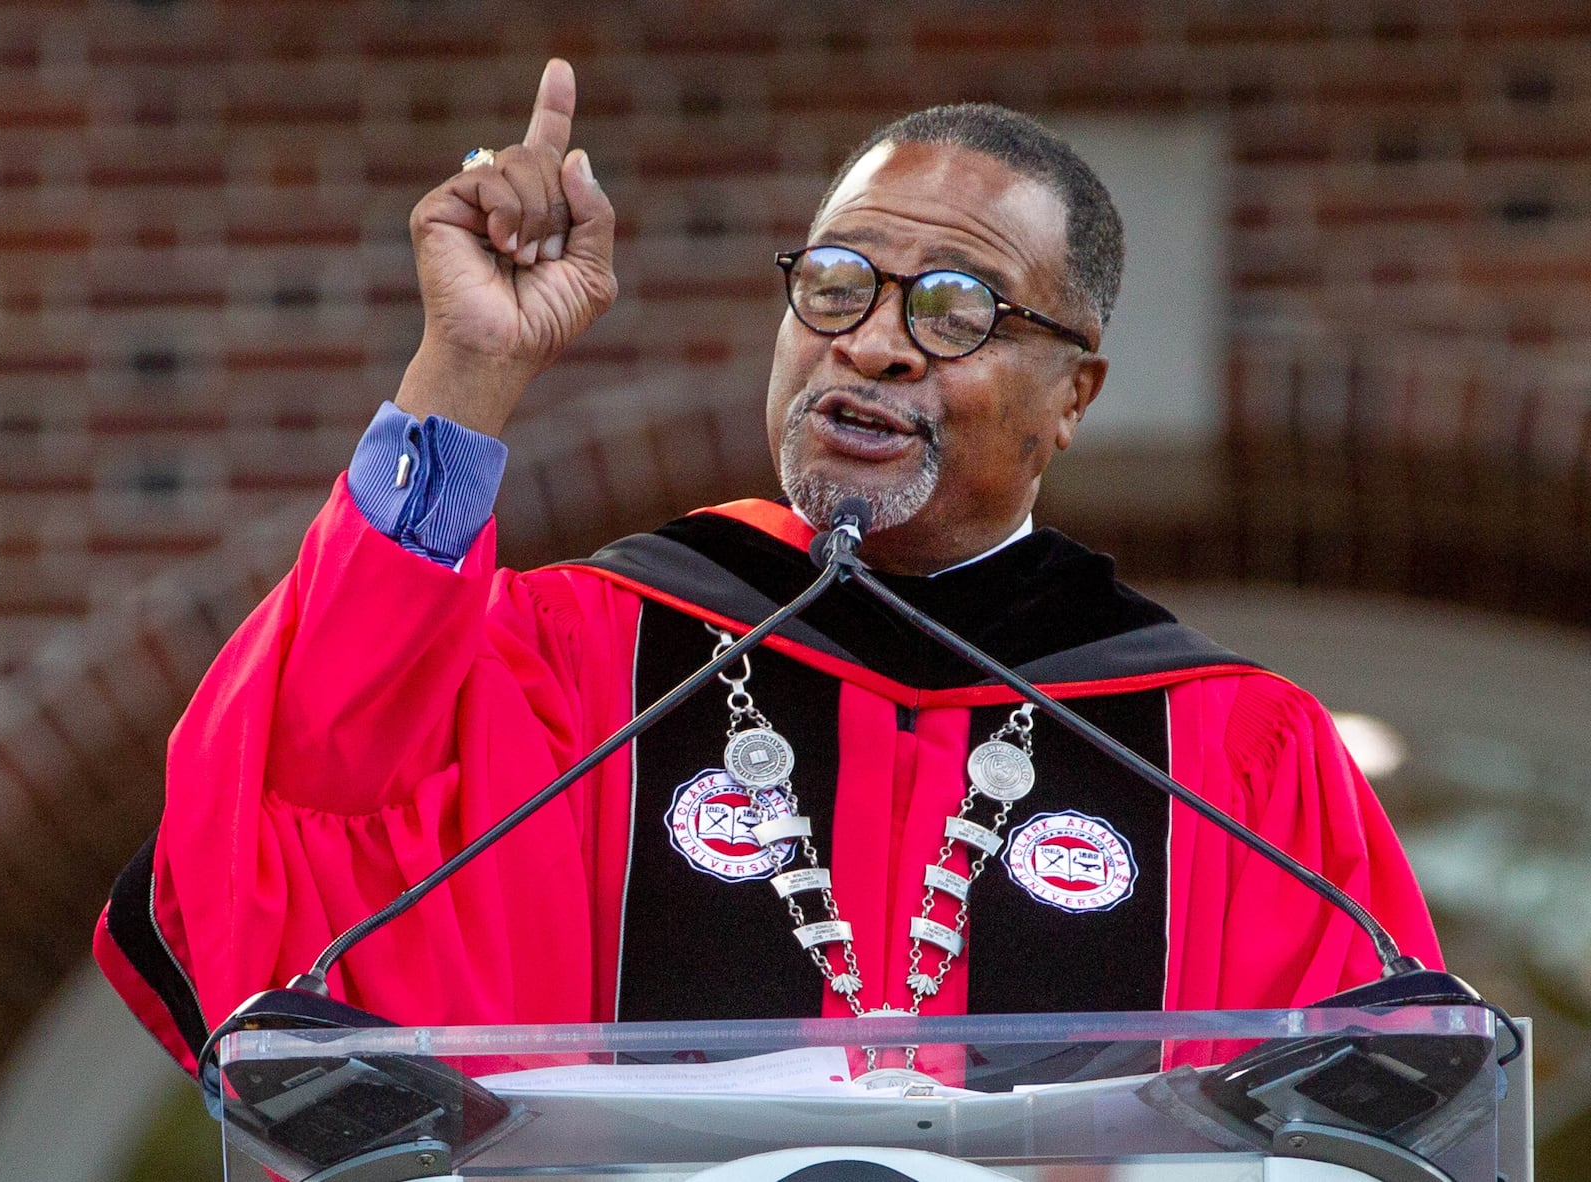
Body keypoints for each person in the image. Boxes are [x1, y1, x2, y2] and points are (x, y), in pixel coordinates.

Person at [94, 60, 1440, 1076]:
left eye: (955, 310)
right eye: (839, 285)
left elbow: (1363, 1114)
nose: (874, 344)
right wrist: (470, 373)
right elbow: (306, 798)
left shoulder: (1227, 755)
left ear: (1071, 394)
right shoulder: (586, 662)